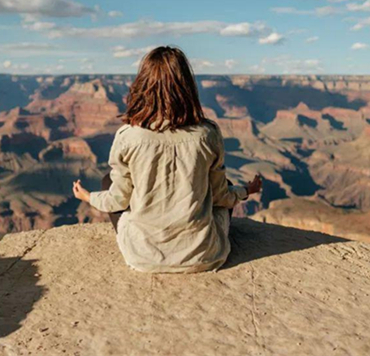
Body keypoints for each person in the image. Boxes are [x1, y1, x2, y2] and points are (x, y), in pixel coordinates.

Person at [73, 46, 262, 273]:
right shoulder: (207, 133)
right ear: (187, 87)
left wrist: (88, 197)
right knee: (227, 185)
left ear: (143, 86)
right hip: (203, 256)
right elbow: (221, 196)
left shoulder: (128, 135)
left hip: (143, 257)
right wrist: (246, 191)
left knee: (107, 182)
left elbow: (118, 201)